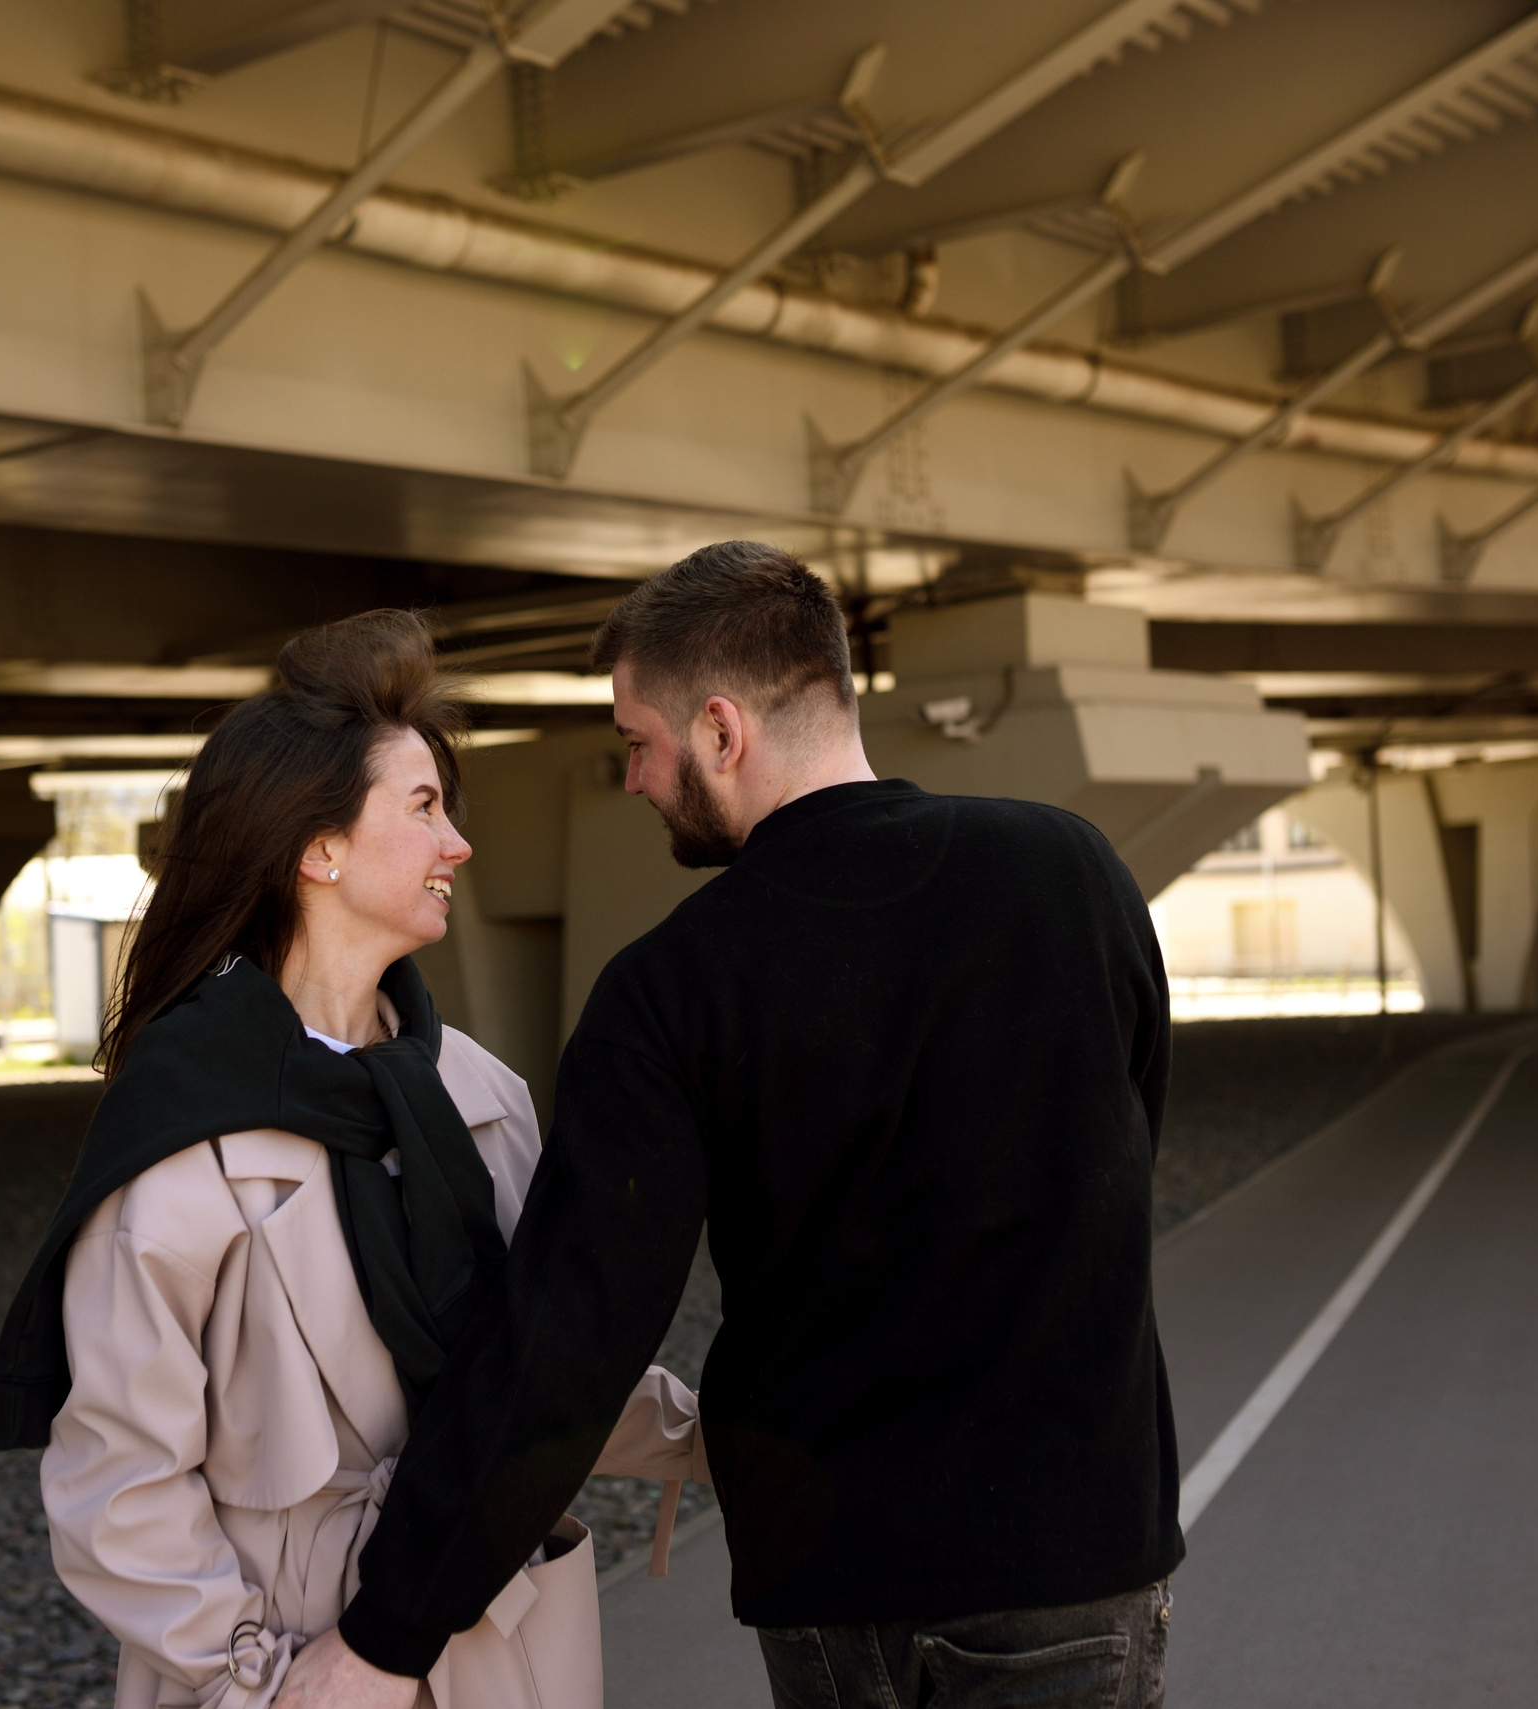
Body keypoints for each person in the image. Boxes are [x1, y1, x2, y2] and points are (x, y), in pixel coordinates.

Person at [283, 543, 1181, 1709]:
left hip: (844, 1581)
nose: (632, 780)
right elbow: (1125, 1152)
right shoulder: (1074, 872)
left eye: (638, 744)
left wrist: (386, 1632)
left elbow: (569, 1333)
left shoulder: (674, 985)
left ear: (720, 731)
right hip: (1084, 1555)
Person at [0, 611, 699, 1709]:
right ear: (315, 848)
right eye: (422, 808)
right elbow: (117, 1485)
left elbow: (539, 1360)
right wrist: (262, 1678)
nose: (457, 842)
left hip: (509, 1641)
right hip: (283, 1658)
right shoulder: (181, 1139)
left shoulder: (479, 1093)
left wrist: (728, 1437)